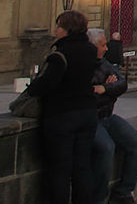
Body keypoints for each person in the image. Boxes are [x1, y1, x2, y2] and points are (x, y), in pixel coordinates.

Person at [26, 11, 97, 204]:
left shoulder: (60, 54)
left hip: (63, 115)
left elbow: (47, 84)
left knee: (60, 169)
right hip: (88, 112)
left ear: (67, 30)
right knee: (82, 168)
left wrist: (32, 88)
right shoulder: (91, 50)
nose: (55, 30)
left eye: (58, 26)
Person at [87, 28, 137, 204]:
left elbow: (122, 83)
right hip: (91, 119)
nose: (106, 48)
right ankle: (97, 198)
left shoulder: (104, 63)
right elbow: (86, 95)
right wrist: (108, 90)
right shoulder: (83, 65)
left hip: (107, 116)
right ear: (91, 45)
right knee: (107, 148)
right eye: (103, 45)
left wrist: (105, 88)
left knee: (136, 141)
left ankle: (123, 191)